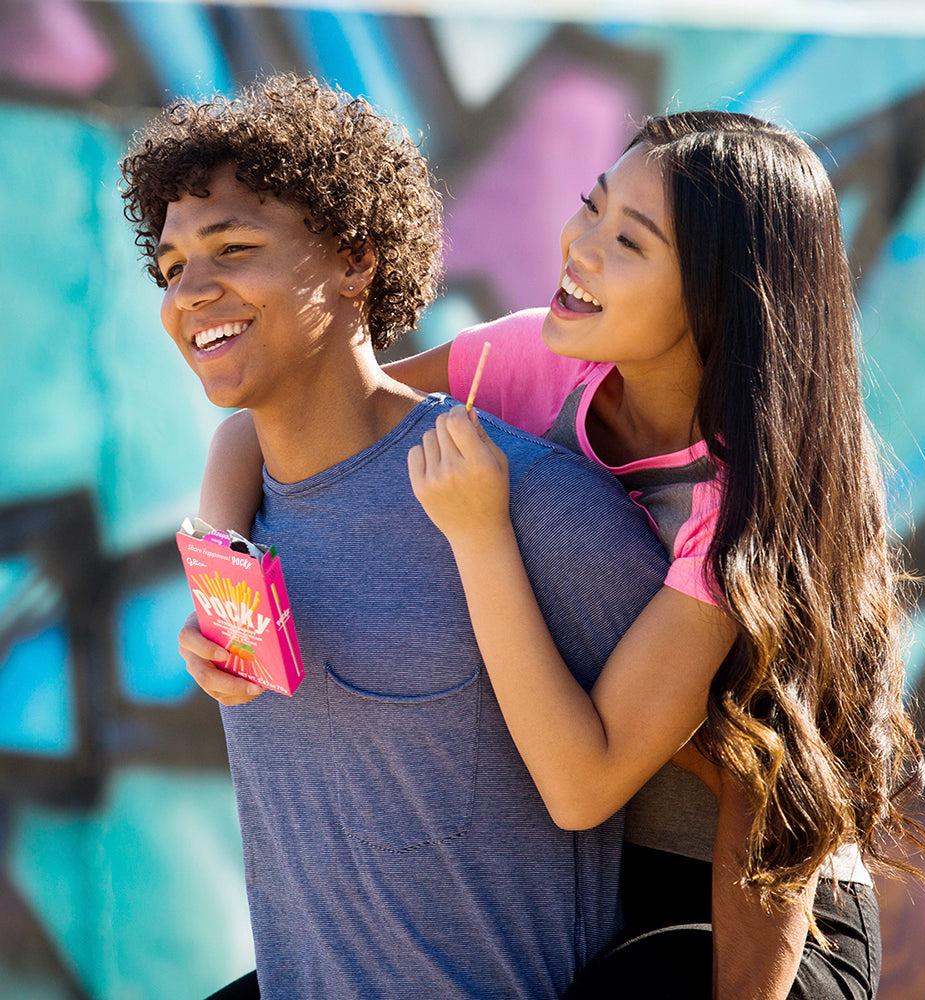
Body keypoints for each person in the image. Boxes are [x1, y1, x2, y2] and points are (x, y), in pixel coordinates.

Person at [197, 110, 925, 999]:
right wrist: (227, 591)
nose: (578, 247)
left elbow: (747, 795)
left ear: (721, 293)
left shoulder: (748, 504)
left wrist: (482, 534)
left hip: (759, 892)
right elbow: (274, 428)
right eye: (591, 207)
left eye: (628, 241)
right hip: (588, 872)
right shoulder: (531, 362)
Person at [120, 74, 676, 1000]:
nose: (193, 292)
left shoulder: (534, 506)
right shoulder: (236, 528)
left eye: (234, 248)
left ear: (354, 260)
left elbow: (740, 762)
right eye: (173, 267)